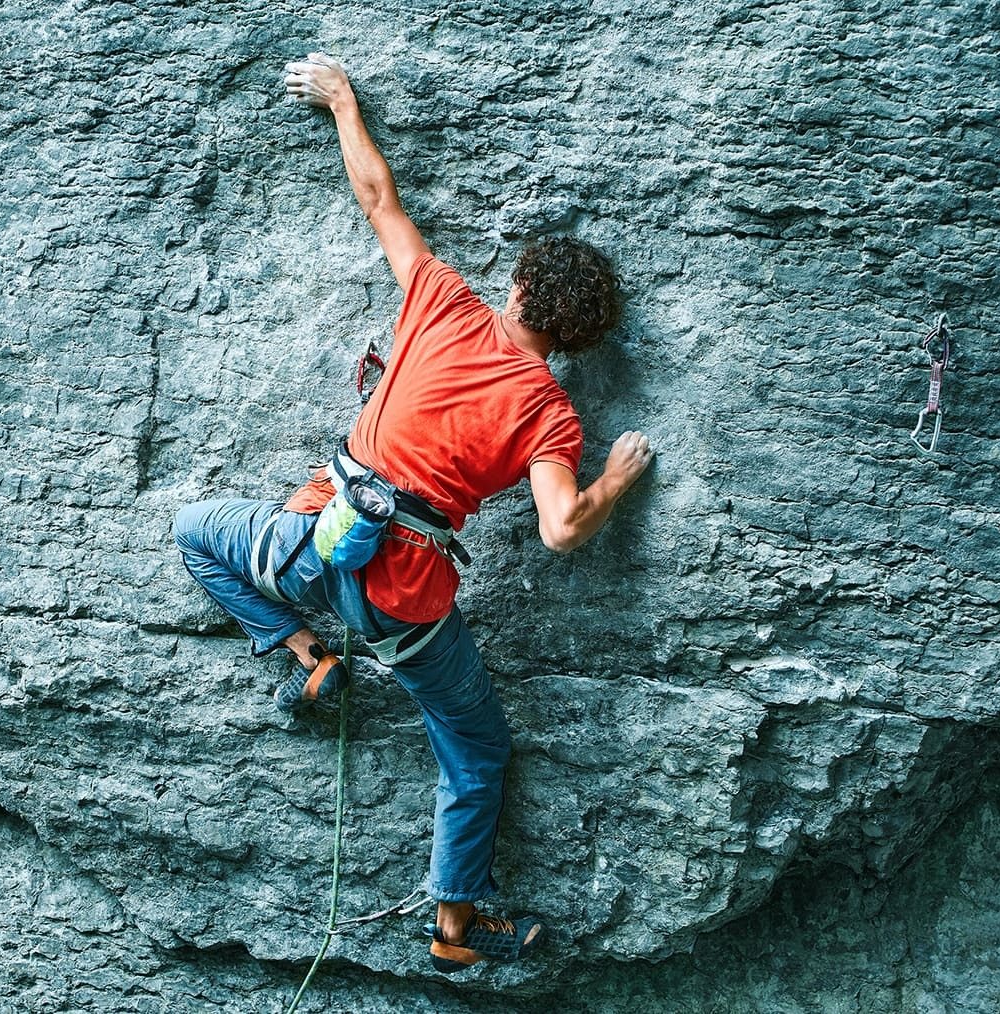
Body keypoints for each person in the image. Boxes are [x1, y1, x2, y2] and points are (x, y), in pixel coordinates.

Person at [173, 52, 653, 973]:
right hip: (406, 604)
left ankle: (304, 657)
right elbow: (560, 528)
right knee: (474, 753)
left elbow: (378, 197)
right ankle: (454, 933)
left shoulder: (444, 303)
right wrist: (620, 474)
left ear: (516, 291)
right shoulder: (553, 413)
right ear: (574, 342)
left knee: (198, 533)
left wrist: (344, 100)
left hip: (316, 548)